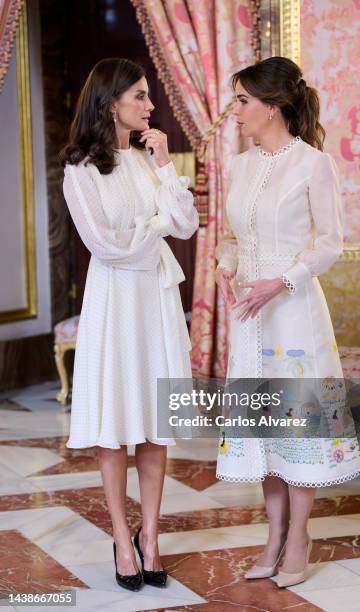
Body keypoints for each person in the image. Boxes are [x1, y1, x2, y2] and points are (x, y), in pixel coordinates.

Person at [215, 56, 360, 588]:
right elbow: (234, 236)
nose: (235, 112)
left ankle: (299, 536)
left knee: (298, 425)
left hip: (294, 313)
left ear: (272, 107)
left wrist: (280, 282)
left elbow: (330, 244)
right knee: (263, 429)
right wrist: (225, 264)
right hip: (250, 319)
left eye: (242, 101)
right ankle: (273, 536)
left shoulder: (312, 164)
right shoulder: (241, 165)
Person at [60, 58, 198, 591]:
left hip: (155, 302)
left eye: (148, 95)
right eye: (140, 95)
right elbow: (105, 247)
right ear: (110, 101)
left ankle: (152, 537)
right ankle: (121, 537)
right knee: (117, 424)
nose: (150, 105)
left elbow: (187, 223)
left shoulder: (149, 158)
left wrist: (164, 166)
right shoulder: (80, 170)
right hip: (116, 302)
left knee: (156, 423)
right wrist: (156, 224)